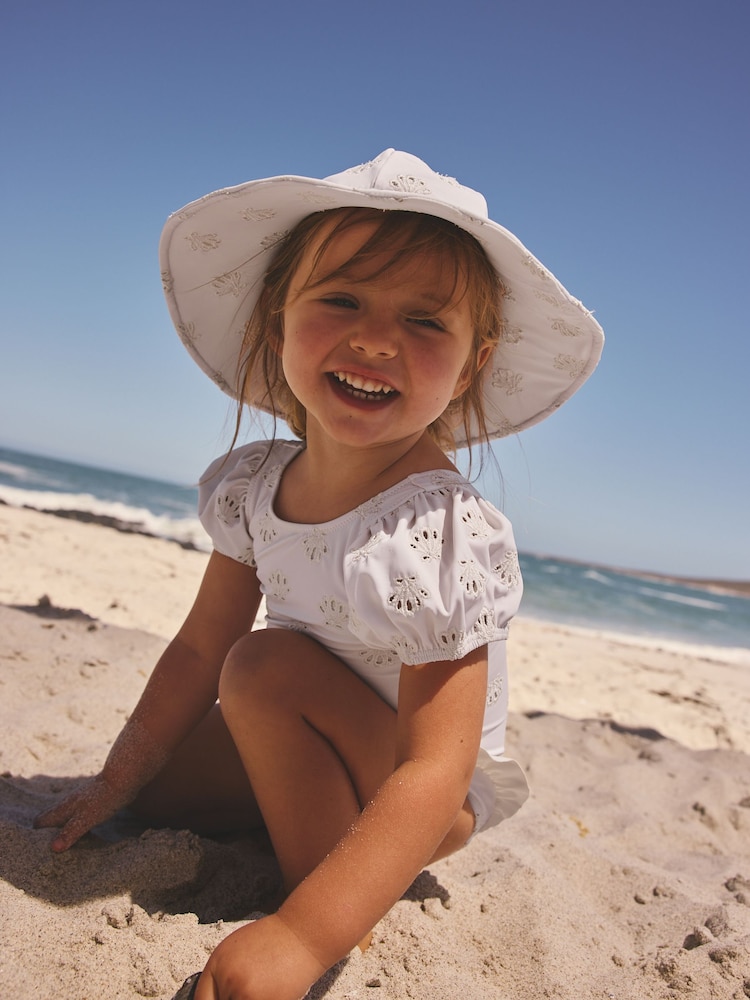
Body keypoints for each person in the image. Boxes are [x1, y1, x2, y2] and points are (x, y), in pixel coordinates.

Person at [35, 149, 604, 1000]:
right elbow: (198, 648)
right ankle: (302, 842)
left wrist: (301, 937)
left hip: (418, 789)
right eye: (341, 300)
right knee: (163, 794)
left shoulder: (436, 529)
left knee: (262, 668)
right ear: (276, 320)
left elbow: (434, 768)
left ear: (470, 366)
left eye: (425, 322)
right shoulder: (257, 484)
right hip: (314, 722)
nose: (376, 338)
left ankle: (328, 892)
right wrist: (119, 777)